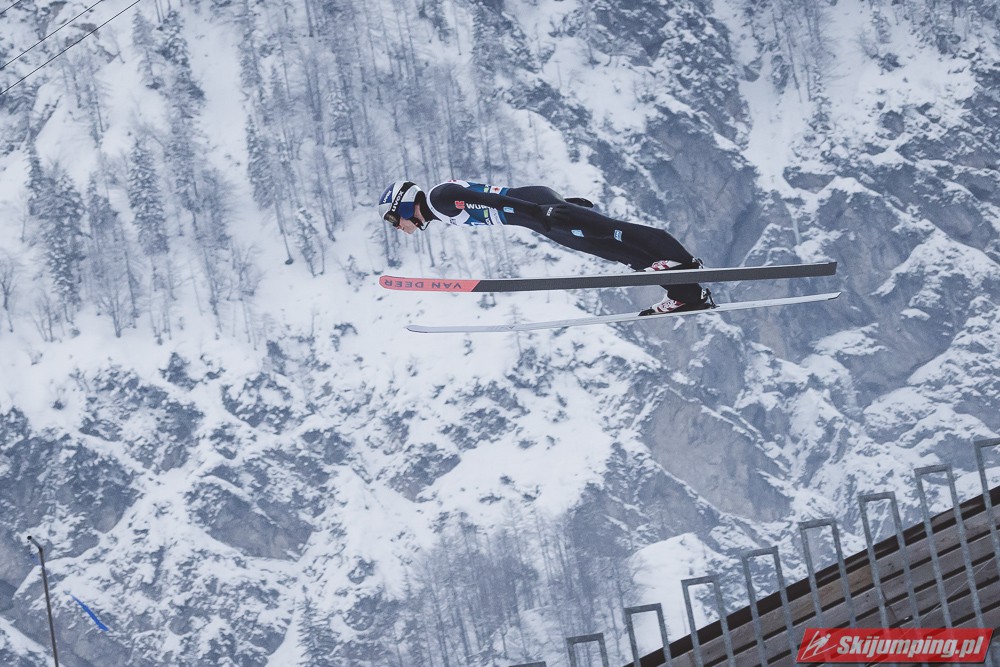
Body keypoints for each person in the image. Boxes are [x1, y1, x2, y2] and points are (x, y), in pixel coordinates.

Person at [377, 179, 713, 315]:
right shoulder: (438, 210)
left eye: (395, 220)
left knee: (617, 233)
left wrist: (543, 210)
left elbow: (493, 200)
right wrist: (548, 209)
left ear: (402, 205)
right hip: (536, 214)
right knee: (614, 249)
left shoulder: (439, 198)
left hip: (537, 211)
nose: (400, 228)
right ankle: (687, 294)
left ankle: (685, 266)